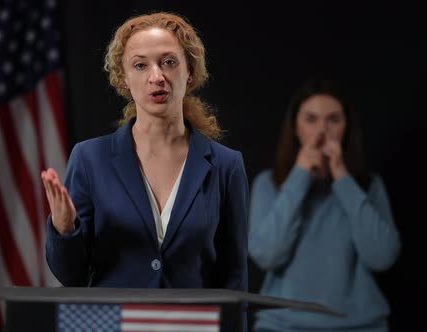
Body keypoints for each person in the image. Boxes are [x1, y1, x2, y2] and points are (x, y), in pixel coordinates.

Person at [41, 12, 248, 295]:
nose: (157, 77)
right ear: (123, 78)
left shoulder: (226, 165)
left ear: (189, 72)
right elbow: (71, 275)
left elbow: (235, 280)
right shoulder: (89, 158)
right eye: (140, 65)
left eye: (169, 62)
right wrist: (64, 229)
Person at [247, 77, 401, 332]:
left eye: (333, 120)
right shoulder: (268, 184)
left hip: (359, 325)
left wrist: (341, 176)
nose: (322, 131)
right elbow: (267, 255)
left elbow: (381, 257)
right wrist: (300, 176)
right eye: (311, 119)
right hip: (283, 325)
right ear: (295, 128)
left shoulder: (369, 186)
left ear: (346, 128)